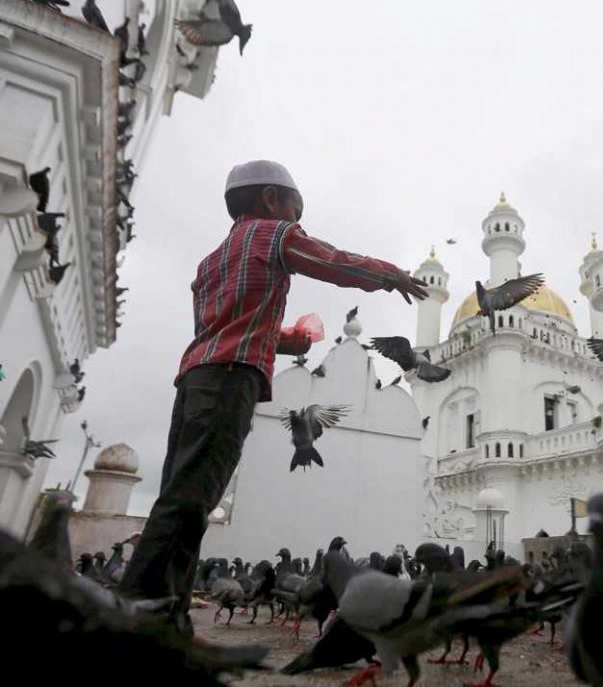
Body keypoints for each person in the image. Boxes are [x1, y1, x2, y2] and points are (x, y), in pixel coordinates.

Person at [119, 160, 427, 634]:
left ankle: (167, 614)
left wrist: (290, 341)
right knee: (192, 500)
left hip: (195, 376)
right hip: (231, 378)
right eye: (294, 209)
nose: (296, 221)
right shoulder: (274, 235)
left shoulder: (212, 260)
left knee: (181, 495)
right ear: (270, 200)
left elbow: (225, 325)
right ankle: (139, 608)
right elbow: (333, 260)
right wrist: (392, 275)